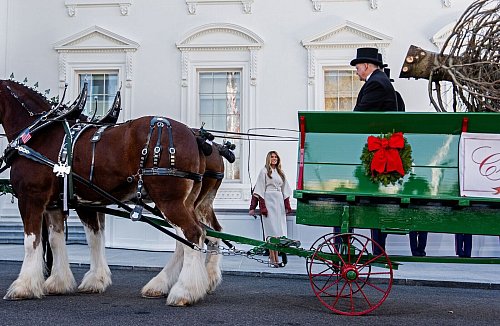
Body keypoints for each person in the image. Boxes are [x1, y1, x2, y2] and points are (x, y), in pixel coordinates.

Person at [350, 47, 398, 255]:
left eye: (358, 67)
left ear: (367, 66)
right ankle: (378, 248)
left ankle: (378, 250)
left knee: (375, 202)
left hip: (378, 151)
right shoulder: (379, 81)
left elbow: (359, 116)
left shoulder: (376, 83)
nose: (356, 71)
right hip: (378, 148)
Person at [249, 151, 292, 267]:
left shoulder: (280, 172)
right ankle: (273, 259)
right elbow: (258, 190)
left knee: (278, 232)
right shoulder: (264, 172)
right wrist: (254, 207)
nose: (274, 159)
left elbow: (285, 190)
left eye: (276, 157)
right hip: (268, 201)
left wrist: (287, 205)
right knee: (271, 231)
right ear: (268, 159)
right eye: (272, 157)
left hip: (279, 202)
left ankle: (275, 258)